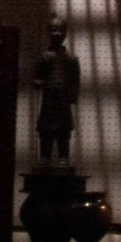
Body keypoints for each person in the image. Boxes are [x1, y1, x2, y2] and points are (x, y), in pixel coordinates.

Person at [34, 14, 80, 165]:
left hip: (63, 102)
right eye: (54, 30)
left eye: (60, 30)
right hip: (48, 101)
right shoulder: (44, 57)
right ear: (49, 32)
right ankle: (45, 158)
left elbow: (75, 80)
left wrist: (72, 96)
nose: (57, 34)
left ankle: (63, 158)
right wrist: (40, 82)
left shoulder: (71, 59)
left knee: (64, 132)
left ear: (65, 33)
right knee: (46, 131)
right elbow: (37, 78)